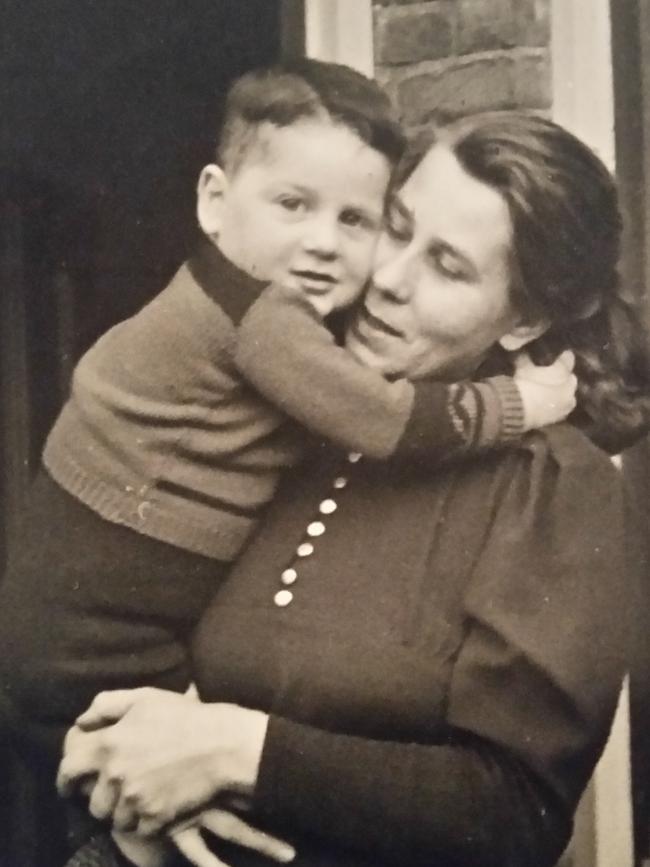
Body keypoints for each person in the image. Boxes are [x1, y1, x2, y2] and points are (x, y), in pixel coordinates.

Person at [55, 111, 650, 867]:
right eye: (395, 229)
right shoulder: (277, 415)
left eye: (448, 266)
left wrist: (237, 751)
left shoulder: (552, 489)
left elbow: (517, 813)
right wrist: (109, 752)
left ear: (525, 318)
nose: (390, 279)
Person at [0, 58, 573, 753]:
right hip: (108, 594)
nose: (325, 244)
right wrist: (518, 402)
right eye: (293, 205)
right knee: (138, 765)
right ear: (214, 201)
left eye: (358, 219)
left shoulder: (252, 306)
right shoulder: (263, 322)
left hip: (87, 592)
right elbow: (392, 418)